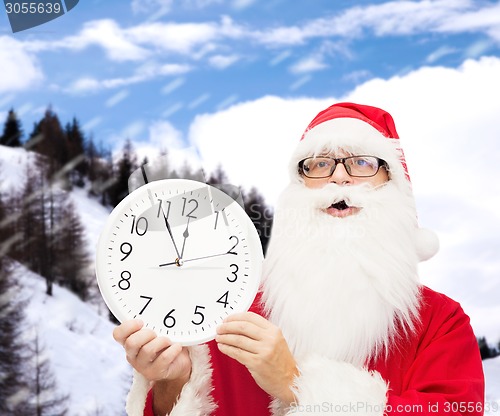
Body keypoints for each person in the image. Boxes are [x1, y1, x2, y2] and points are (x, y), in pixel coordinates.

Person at [113, 102, 485, 416]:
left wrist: (296, 385)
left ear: (394, 184)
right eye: (319, 164)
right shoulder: (231, 309)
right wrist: (173, 383)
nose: (339, 179)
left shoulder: (441, 323)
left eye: (363, 163)